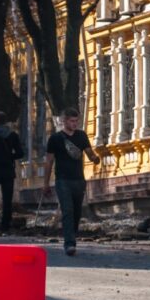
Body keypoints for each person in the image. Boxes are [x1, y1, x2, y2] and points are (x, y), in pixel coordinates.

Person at [43, 108, 100, 256]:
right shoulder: (55, 139)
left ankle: (71, 234)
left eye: (76, 121)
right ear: (64, 121)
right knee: (67, 210)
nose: (75, 124)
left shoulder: (81, 136)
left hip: (79, 180)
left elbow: (89, 153)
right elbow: (49, 161)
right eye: (72, 121)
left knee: (76, 212)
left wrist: (95, 158)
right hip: (62, 180)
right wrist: (45, 183)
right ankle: (69, 243)